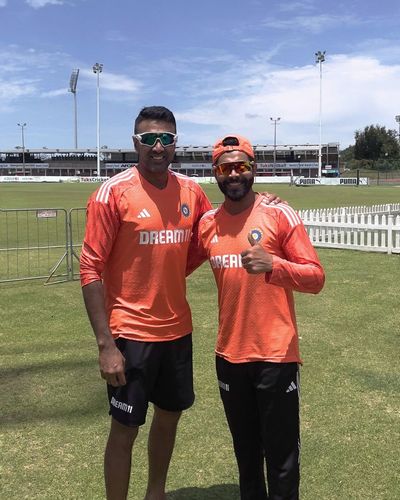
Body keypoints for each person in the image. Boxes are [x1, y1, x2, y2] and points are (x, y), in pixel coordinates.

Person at [80, 106, 280, 500]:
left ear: (175, 143)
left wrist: (261, 202)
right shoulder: (112, 193)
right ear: (136, 143)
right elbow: (90, 269)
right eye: (149, 139)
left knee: (169, 417)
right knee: (125, 428)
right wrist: (106, 346)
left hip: (177, 331)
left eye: (166, 139)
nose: (158, 146)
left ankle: (156, 493)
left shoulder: (191, 192)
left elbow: (217, 226)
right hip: (129, 334)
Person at [187, 134, 325, 500]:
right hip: (229, 356)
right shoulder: (207, 225)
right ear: (215, 173)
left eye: (241, 166)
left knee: (281, 461)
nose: (234, 174)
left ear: (254, 169)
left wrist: (274, 265)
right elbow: (173, 267)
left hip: (275, 357)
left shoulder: (279, 213)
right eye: (225, 168)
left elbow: (316, 277)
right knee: (246, 457)